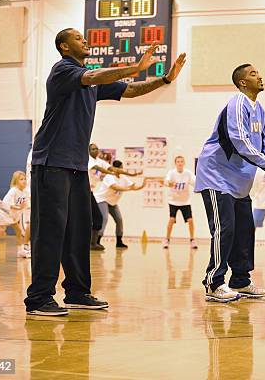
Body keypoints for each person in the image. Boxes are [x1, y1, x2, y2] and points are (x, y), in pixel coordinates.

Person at [25, 27, 186, 316]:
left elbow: (132, 90)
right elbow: (94, 76)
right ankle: (38, 298)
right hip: (51, 162)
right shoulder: (64, 70)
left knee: (79, 230)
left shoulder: (91, 82)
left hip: (76, 166)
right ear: (64, 47)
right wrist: (135, 66)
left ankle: (77, 292)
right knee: (50, 231)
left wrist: (164, 79)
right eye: (77, 38)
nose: (84, 40)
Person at [195, 63, 265, 303]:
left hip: (240, 181)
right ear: (243, 82)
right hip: (216, 176)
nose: (260, 75)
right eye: (254, 74)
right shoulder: (237, 102)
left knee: (245, 228)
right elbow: (240, 141)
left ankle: (241, 281)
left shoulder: (261, 111)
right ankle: (213, 283)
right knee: (225, 228)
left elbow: (263, 146)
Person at [88, 143, 141, 251]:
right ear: (89, 151)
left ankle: (99, 243)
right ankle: (94, 242)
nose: (96, 150)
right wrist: (112, 173)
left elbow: (113, 169)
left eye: (97, 148)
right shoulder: (90, 161)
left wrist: (132, 174)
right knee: (101, 218)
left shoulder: (101, 162)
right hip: (95, 196)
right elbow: (101, 170)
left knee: (109, 219)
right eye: (93, 148)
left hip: (92, 192)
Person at [94, 160, 146, 248]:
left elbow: (133, 187)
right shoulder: (109, 176)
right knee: (104, 218)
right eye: (120, 168)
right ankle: (96, 241)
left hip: (112, 202)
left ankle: (119, 242)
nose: (121, 170)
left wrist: (142, 185)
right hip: (102, 199)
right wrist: (127, 189)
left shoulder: (123, 178)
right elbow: (114, 186)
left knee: (119, 219)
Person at [0, 171, 31, 259]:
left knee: (19, 231)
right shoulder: (13, 191)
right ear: (16, 181)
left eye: (25, 179)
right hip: (4, 213)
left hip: (13, 214)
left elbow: (26, 204)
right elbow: (9, 206)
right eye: (21, 179)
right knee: (1, 232)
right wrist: (20, 208)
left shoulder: (25, 191)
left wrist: (23, 207)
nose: (24, 181)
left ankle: (20, 251)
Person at [164, 156, 197, 249]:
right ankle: (167, 239)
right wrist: (168, 183)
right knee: (171, 219)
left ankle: (192, 239)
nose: (180, 163)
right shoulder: (172, 173)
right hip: (173, 201)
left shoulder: (188, 173)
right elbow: (166, 181)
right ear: (175, 163)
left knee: (190, 220)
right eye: (178, 161)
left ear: (184, 163)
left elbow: (195, 182)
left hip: (185, 201)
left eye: (182, 161)